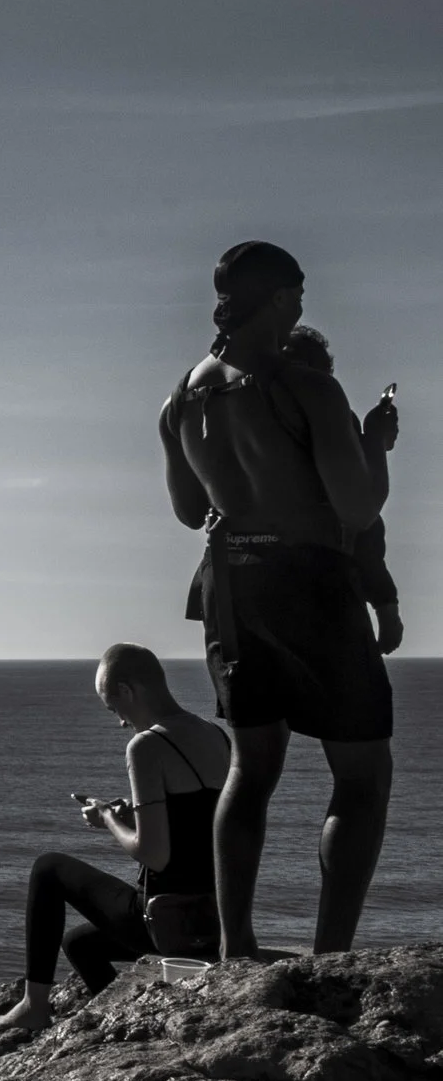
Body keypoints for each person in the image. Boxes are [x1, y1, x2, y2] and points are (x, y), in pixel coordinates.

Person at [159, 241, 400, 959]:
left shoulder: (180, 400)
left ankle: (238, 947)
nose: (301, 304)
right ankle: (330, 960)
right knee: (363, 774)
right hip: (308, 585)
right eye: (297, 294)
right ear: (281, 299)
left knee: (251, 766)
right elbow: (354, 507)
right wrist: (374, 444)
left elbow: (185, 508)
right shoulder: (308, 387)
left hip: (231, 589)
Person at [0, 644, 231, 1030]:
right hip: (213, 918)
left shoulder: (147, 745)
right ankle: (123, 1021)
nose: (120, 721)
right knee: (79, 944)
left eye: (113, 707)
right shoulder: (215, 735)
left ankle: (34, 1005)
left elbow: (154, 856)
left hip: (164, 921)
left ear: (128, 690)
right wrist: (132, 813)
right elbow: (196, 824)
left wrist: (107, 817)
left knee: (49, 868)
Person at [283, 324, 404, 657]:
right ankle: (385, 607)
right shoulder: (325, 406)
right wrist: (376, 441)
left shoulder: (227, 404)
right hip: (321, 573)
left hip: (240, 578)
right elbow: (362, 511)